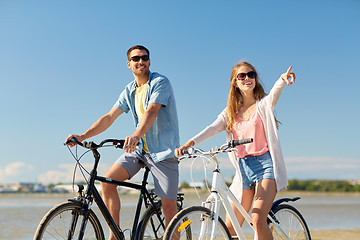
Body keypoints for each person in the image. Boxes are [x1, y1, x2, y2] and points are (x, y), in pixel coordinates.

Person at [66, 45, 180, 240]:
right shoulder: (129, 90)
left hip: (163, 151)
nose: (140, 62)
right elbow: (110, 117)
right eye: (135, 59)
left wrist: (136, 135)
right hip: (139, 151)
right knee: (108, 183)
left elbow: (152, 111)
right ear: (129, 64)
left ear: (149, 61)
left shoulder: (160, 82)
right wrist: (83, 136)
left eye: (144, 58)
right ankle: (114, 236)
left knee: (169, 207)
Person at [175, 61, 295, 240]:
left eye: (251, 74)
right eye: (242, 76)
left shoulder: (262, 106)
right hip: (243, 170)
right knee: (230, 229)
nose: (247, 78)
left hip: (265, 166)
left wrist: (281, 80)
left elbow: (273, 97)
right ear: (235, 82)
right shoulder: (231, 112)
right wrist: (189, 143)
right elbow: (213, 128)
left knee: (257, 217)